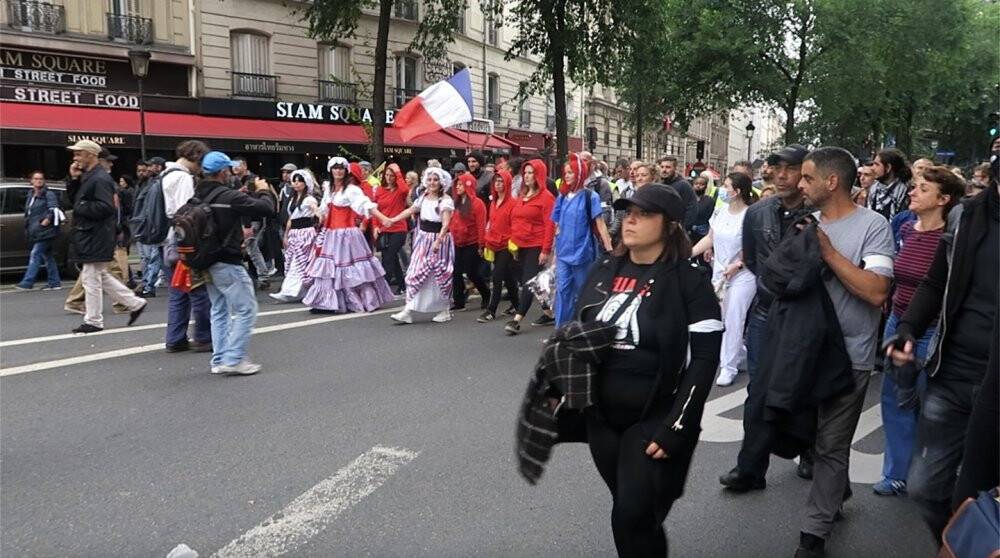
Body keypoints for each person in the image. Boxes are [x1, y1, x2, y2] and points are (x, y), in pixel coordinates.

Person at [579, 184, 722, 557]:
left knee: (633, 511)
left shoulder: (689, 281)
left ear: (670, 225)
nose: (631, 220)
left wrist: (679, 423)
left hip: (654, 414)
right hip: (603, 417)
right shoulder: (605, 268)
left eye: (644, 214)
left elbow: (705, 360)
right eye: (628, 213)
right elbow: (578, 331)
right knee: (628, 508)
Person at [791, 147, 894, 558]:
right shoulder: (802, 223)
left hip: (850, 355)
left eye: (806, 178)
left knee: (831, 444)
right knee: (812, 439)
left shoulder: (875, 226)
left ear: (831, 182)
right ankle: (838, 489)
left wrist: (827, 251)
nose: (800, 184)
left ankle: (812, 534)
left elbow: (876, 290)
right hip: (803, 353)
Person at [886, 165, 998, 543]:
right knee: (924, 488)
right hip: (952, 373)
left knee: (978, 493)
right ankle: (958, 547)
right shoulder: (966, 215)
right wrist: (907, 329)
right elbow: (937, 280)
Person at [720, 144, 814, 491]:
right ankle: (750, 468)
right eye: (778, 168)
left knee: (805, 387)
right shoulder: (758, 213)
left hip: (805, 314)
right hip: (766, 312)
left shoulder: (819, 213)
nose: (783, 175)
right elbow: (756, 261)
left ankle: (810, 452)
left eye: (792, 169)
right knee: (758, 390)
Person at [874, 166, 966, 497]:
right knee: (894, 399)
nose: (912, 192)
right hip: (899, 324)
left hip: (933, 331)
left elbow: (941, 286)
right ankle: (896, 473)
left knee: (929, 404)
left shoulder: (955, 238)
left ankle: (933, 474)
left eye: (922, 189)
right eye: (914, 186)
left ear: (943, 199)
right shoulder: (905, 227)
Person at [193, 152, 276, 375]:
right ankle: (234, 358)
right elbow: (267, 209)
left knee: (219, 309)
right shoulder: (229, 196)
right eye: (228, 170)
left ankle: (219, 359)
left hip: (205, 260)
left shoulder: (197, 195)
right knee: (247, 308)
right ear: (222, 172)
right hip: (227, 260)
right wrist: (263, 189)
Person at [64, 140, 147, 333]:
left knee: (91, 278)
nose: (75, 158)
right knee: (98, 275)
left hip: (96, 235)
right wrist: (73, 179)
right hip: (92, 233)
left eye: (78, 154)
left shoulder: (99, 179)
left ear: (91, 155)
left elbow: (105, 207)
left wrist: (80, 207)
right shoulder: (89, 177)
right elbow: (73, 199)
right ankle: (135, 303)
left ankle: (94, 320)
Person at [691, 172, 758, 386]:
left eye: (726, 186)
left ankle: (728, 366)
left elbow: (754, 246)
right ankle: (742, 355)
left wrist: (738, 264)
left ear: (737, 191)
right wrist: (689, 253)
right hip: (719, 273)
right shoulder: (719, 212)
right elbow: (710, 238)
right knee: (719, 318)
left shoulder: (750, 216)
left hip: (743, 275)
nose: (723, 190)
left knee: (733, 319)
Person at [303, 157, 395, 313]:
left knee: (347, 268)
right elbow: (324, 212)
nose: (338, 171)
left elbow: (366, 205)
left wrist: (383, 218)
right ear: (330, 170)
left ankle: (355, 300)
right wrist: (314, 208)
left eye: (341, 168)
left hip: (347, 235)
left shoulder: (351, 190)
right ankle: (326, 302)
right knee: (330, 269)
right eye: (335, 168)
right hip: (331, 235)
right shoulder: (330, 190)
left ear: (346, 171)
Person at [161, 140, 213, 353]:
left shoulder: (164, 175)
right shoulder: (183, 178)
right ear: (195, 157)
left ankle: (175, 338)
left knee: (178, 290)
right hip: (184, 240)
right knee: (197, 289)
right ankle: (204, 336)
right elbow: (186, 214)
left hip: (169, 238)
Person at [386, 168, 456, 324]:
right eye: (429, 180)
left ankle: (444, 309)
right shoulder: (423, 197)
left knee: (439, 274)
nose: (432, 183)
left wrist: (438, 241)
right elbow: (411, 209)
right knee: (414, 272)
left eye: (435, 180)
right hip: (423, 239)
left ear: (441, 182)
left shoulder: (445, 200)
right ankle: (408, 310)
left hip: (438, 240)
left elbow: (445, 224)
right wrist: (393, 219)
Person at [551, 153, 613, 327]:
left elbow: (600, 224)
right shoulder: (562, 197)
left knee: (582, 291)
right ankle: (560, 330)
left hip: (582, 252)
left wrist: (609, 250)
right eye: (565, 173)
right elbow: (557, 226)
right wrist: (554, 252)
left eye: (571, 172)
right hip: (563, 253)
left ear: (579, 173)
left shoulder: (590, 196)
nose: (567, 176)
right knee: (563, 291)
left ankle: (582, 328)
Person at [504, 159, 556, 335]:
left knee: (528, 281)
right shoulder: (522, 195)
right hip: (520, 245)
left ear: (538, 175)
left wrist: (546, 250)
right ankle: (548, 312)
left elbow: (550, 225)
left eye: (530, 173)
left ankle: (517, 319)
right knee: (533, 281)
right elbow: (515, 220)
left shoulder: (547, 198)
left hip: (536, 244)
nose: (526, 176)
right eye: (525, 173)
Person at [270, 170, 319, 303]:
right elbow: (291, 219)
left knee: (301, 264)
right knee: (293, 263)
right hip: (294, 233)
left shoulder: (309, 199)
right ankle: (292, 291)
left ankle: (292, 291)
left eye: (299, 181)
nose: (296, 183)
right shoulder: (292, 199)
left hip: (306, 233)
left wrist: (320, 216)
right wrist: (286, 235)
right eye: (294, 181)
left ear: (305, 183)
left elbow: (316, 211)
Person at [478, 169, 520, 322]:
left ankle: (491, 310)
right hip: (494, 244)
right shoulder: (493, 203)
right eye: (496, 181)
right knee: (508, 278)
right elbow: (492, 224)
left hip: (507, 246)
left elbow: (515, 226)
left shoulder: (513, 204)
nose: (498, 184)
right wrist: (486, 241)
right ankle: (518, 305)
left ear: (508, 183)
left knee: (496, 277)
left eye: (501, 181)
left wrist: (514, 246)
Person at [449, 173, 490, 312]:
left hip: (472, 243)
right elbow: (452, 221)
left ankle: (486, 293)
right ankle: (459, 301)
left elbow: (480, 225)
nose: (458, 187)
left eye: (461, 184)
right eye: (457, 185)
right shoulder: (456, 203)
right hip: (458, 242)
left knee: (472, 273)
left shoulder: (477, 204)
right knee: (456, 272)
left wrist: (481, 244)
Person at [16, 171, 62, 291]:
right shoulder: (31, 194)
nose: (39, 181)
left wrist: (47, 219)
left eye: (41, 179)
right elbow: (29, 212)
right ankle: (55, 282)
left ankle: (27, 282)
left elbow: (53, 208)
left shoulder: (48, 194)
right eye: (36, 179)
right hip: (35, 230)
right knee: (47, 256)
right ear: (31, 181)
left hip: (46, 231)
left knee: (35, 254)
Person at [373, 163, 411, 295]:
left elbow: (405, 190)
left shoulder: (400, 190)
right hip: (384, 229)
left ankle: (383, 288)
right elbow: (375, 210)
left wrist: (398, 172)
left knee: (389, 258)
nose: (389, 178)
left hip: (398, 228)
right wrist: (376, 226)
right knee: (391, 258)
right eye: (387, 175)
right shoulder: (379, 190)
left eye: (392, 176)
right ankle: (402, 285)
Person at [867, 148, 912, 222]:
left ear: (888, 167)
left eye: (877, 164)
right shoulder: (873, 190)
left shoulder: (906, 193)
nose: (872, 168)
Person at [657, 155, 697, 229]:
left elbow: (691, 209)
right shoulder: (660, 185)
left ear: (675, 168)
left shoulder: (683, 185)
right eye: (662, 167)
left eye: (668, 167)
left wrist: (683, 229)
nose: (664, 170)